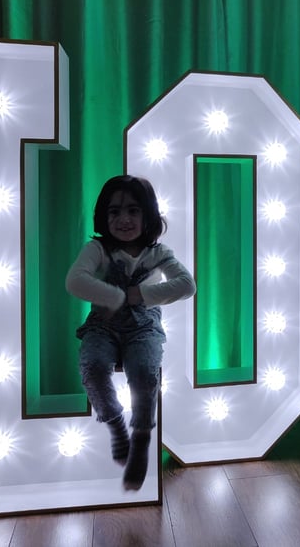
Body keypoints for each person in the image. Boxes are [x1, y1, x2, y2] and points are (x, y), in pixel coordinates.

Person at [66, 174, 195, 490]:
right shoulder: (98, 249)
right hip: (103, 325)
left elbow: (187, 285)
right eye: (115, 212)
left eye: (133, 211)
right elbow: (75, 280)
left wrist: (139, 295)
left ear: (148, 215)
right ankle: (114, 424)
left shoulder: (158, 253)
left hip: (143, 327)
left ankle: (142, 434)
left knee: (144, 372)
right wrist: (114, 296)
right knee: (93, 365)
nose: (124, 219)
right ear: (104, 216)